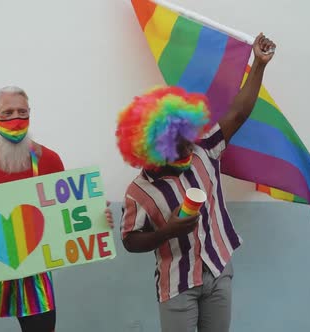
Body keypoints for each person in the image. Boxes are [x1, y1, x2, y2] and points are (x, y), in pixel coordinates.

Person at [118, 34, 276, 332]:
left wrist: (258, 63)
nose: (190, 144)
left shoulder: (205, 148)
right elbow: (130, 239)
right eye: (180, 142)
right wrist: (168, 231)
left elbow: (239, 113)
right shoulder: (139, 191)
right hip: (177, 282)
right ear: (156, 147)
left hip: (219, 269)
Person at [0, 86, 114, 332]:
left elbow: (63, 214)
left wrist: (95, 216)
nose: (15, 119)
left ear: (30, 113)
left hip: (32, 267)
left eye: (22, 112)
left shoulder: (49, 160)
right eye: (6, 113)